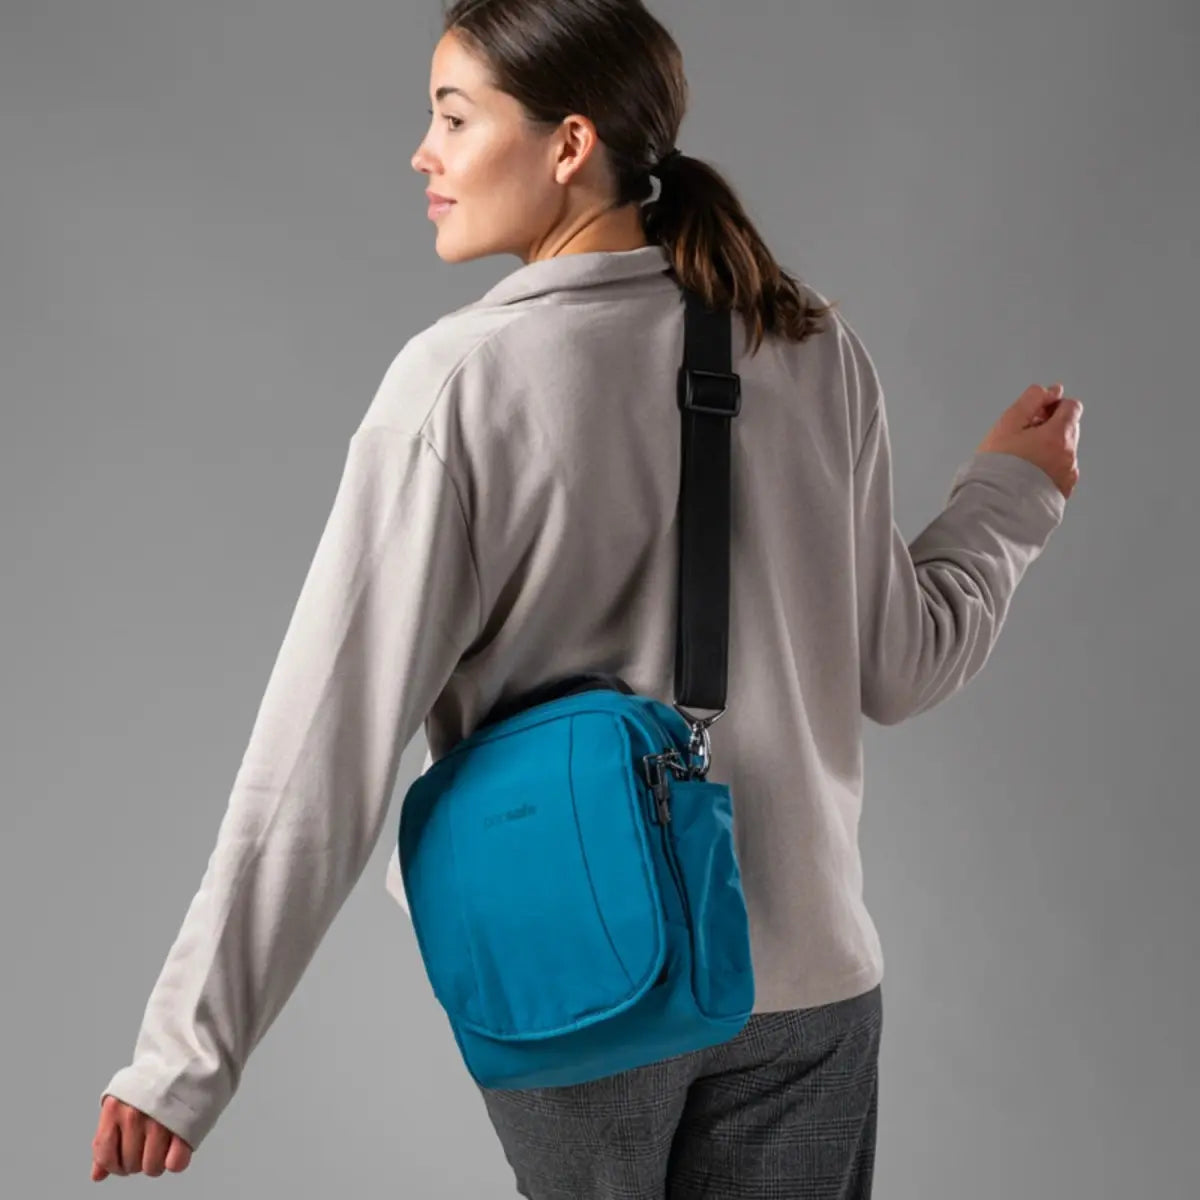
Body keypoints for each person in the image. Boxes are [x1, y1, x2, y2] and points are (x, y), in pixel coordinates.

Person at [90, 0, 1083, 1193]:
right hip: (814, 993)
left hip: (588, 980)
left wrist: (184, 1061)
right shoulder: (811, 345)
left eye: (455, 118)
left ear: (569, 144)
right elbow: (904, 665)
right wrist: (1010, 495)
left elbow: (321, 751)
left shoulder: (461, 385)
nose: (423, 153)